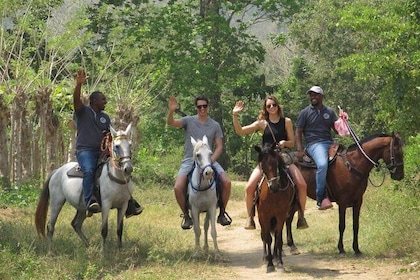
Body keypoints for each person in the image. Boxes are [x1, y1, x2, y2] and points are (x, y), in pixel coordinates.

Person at [73, 69, 143, 218]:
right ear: (94, 101)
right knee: (90, 170)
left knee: (122, 168)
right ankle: (89, 200)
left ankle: (128, 201)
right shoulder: (83, 111)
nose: (105, 102)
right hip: (85, 150)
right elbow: (76, 102)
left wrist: (109, 150)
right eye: (103, 99)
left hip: (103, 151)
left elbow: (109, 136)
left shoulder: (105, 117)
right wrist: (78, 85)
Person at [232, 96, 309, 230]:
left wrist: (285, 143)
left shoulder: (287, 121)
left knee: (302, 184)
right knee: (249, 187)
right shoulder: (262, 123)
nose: (272, 107)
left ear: (278, 106)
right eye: (269, 106)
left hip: (283, 156)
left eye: (274, 105)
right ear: (266, 109)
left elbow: (292, 142)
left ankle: (301, 216)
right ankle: (250, 217)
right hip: (267, 159)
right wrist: (235, 115)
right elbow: (240, 131)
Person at [167, 95, 232, 229]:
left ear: (208, 107)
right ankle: (186, 215)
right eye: (199, 106)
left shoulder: (215, 125)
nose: (202, 109)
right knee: (178, 187)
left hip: (208, 159)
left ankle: (222, 213)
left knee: (227, 182)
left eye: (205, 106)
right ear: (196, 107)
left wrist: (211, 160)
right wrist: (171, 111)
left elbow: (219, 146)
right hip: (190, 159)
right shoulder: (189, 121)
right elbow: (171, 123)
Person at [295, 85, 337, 210]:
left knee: (346, 161)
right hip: (314, 144)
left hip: (330, 142)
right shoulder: (305, 113)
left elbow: (338, 130)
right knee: (323, 165)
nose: (313, 97)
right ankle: (321, 198)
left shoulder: (329, 112)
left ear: (322, 96)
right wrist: (299, 149)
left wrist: (343, 121)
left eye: (316, 94)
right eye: (311, 95)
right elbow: (298, 132)